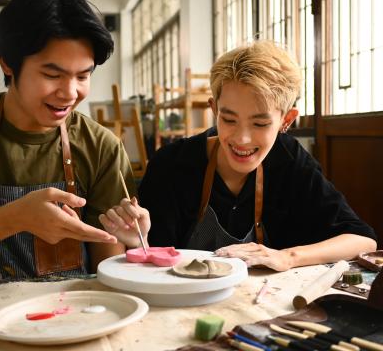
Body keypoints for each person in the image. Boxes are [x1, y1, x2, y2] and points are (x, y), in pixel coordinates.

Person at [99, 41, 377, 271]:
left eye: (259, 124)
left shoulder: (290, 161)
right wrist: (139, 241)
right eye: (229, 120)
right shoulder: (173, 164)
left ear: (286, 120)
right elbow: (151, 264)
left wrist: (287, 257)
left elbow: (362, 240)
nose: (242, 139)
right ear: (214, 109)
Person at [0, 0, 136, 281]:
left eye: (83, 76)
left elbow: (108, 267)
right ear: (7, 63)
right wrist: (15, 218)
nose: (69, 93)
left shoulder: (101, 148)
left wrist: (128, 240)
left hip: (69, 313)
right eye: (52, 75)